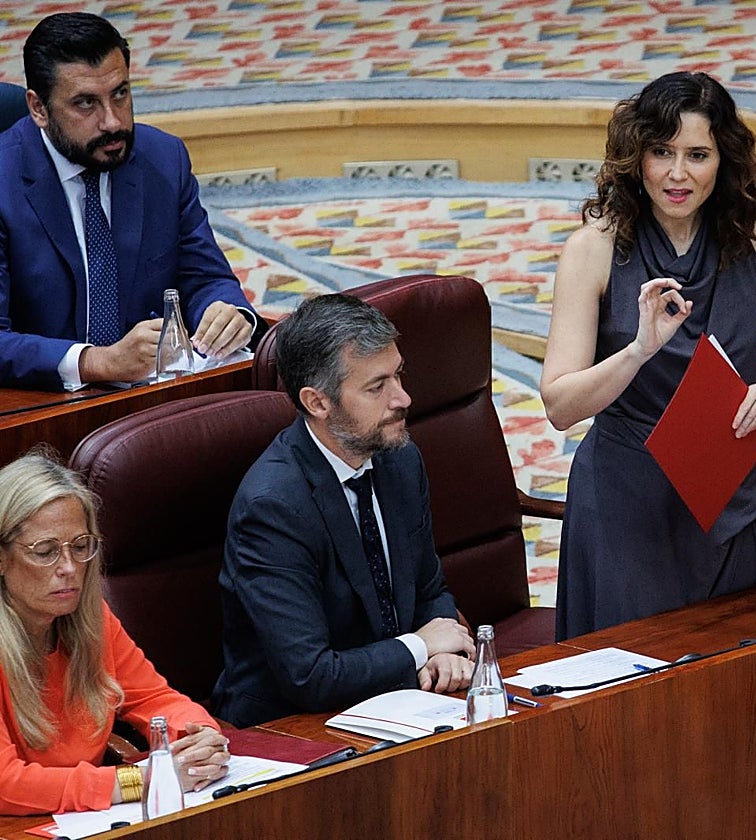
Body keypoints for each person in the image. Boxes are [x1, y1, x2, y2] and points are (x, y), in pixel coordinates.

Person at [542, 72, 756, 639]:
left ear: (724, 159)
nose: (677, 173)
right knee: (631, 692)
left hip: (731, 491)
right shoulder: (594, 248)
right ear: (636, 158)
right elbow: (560, 405)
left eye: (697, 154)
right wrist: (638, 350)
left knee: (738, 687)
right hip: (627, 504)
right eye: (661, 152)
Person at [211, 293, 475, 728]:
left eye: (398, 376)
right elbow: (310, 675)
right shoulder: (273, 507)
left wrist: (441, 649)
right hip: (295, 730)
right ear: (317, 403)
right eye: (377, 387)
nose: (403, 398)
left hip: (397, 701)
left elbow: (429, 589)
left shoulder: (398, 458)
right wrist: (418, 648)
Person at [0, 12, 258, 391]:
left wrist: (228, 312)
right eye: (86, 104)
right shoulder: (5, 182)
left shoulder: (163, 158)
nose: (113, 122)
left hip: (151, 396)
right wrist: (97, 361)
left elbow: (205, 277)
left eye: (120, 94)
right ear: (39, 108)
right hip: (41, 407)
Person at [0, 451, 229, 816]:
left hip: (85, 820)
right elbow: (6, 786)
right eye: (45, 552)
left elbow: (157, 700)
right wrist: (137, 782)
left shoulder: (91, 619)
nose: (69, 568)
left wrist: (199, 736)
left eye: (80, 547)